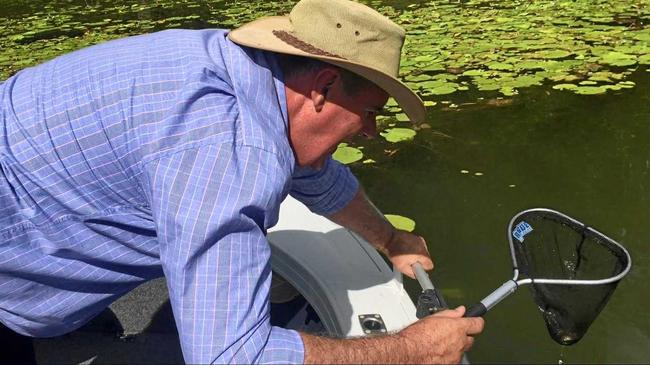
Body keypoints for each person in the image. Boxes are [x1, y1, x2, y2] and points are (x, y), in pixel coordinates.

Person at [0, 0, 484, 363]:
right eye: (372, 112)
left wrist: (391, 238)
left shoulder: (233, 66)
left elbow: (313, 173)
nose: (373, 131)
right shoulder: (229, 153)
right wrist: (409, 347)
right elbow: (231, 355)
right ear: (323, 88)